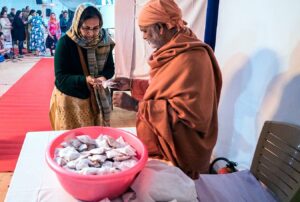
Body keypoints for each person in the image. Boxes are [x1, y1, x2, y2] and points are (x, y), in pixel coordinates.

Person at [111, 0, 222, 179]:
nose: (144, 37)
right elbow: (166, 89)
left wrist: (136, 106)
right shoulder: (175, 50)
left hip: (181, 154)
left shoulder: (191, 58)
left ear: (161, 28)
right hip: (164, 145)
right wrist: (132, 84)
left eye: (145, 31)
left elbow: (192, 116)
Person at [49, 3, 115, 130]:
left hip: (97, 98)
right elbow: (61, 78)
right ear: (77, 24)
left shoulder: (105, 41)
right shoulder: (65, 43)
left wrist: (103, 77)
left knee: (95, 138)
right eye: (86, 28)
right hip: (71, 100)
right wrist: (86, 79)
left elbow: (110, 68)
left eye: (96, 28)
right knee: (73, 139)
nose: (91, 33)